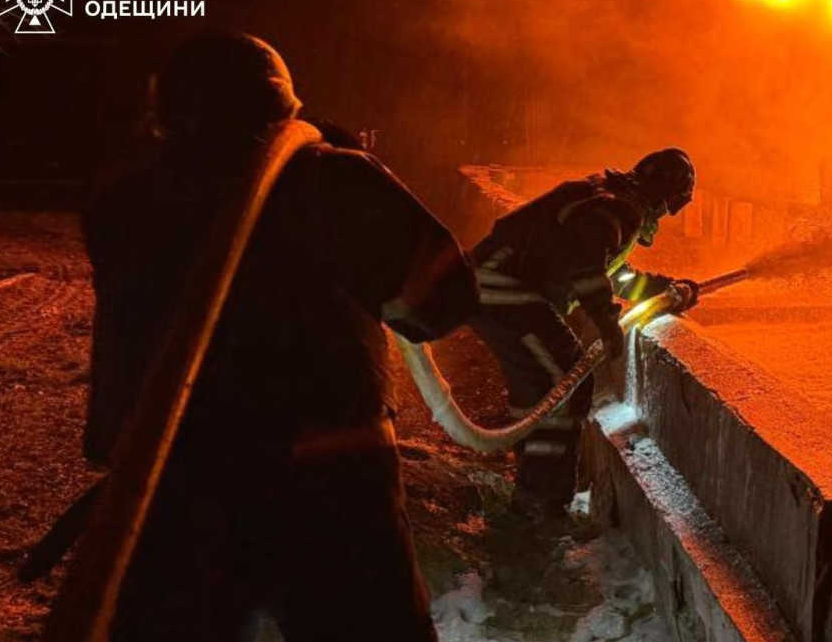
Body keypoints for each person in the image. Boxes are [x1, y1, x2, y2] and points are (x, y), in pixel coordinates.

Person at [80, 33, 478, 641]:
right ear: (282, 105)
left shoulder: (124, 199)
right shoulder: (331, 180)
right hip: (329, 484)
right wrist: (362, 182)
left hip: (176, 486)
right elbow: (443, 304)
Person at [468, 150, 698, 514]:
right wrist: (608, 324)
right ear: (664, 197)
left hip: (493, 288)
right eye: (671, 206)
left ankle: (532, 485)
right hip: (508, 294)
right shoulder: (620, 210)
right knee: (564, 383)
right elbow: (588, 271)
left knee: (540, 384)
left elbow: (607, 272)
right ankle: (541, 500)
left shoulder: (606, 197)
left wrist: (662, 288)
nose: (664, 217)